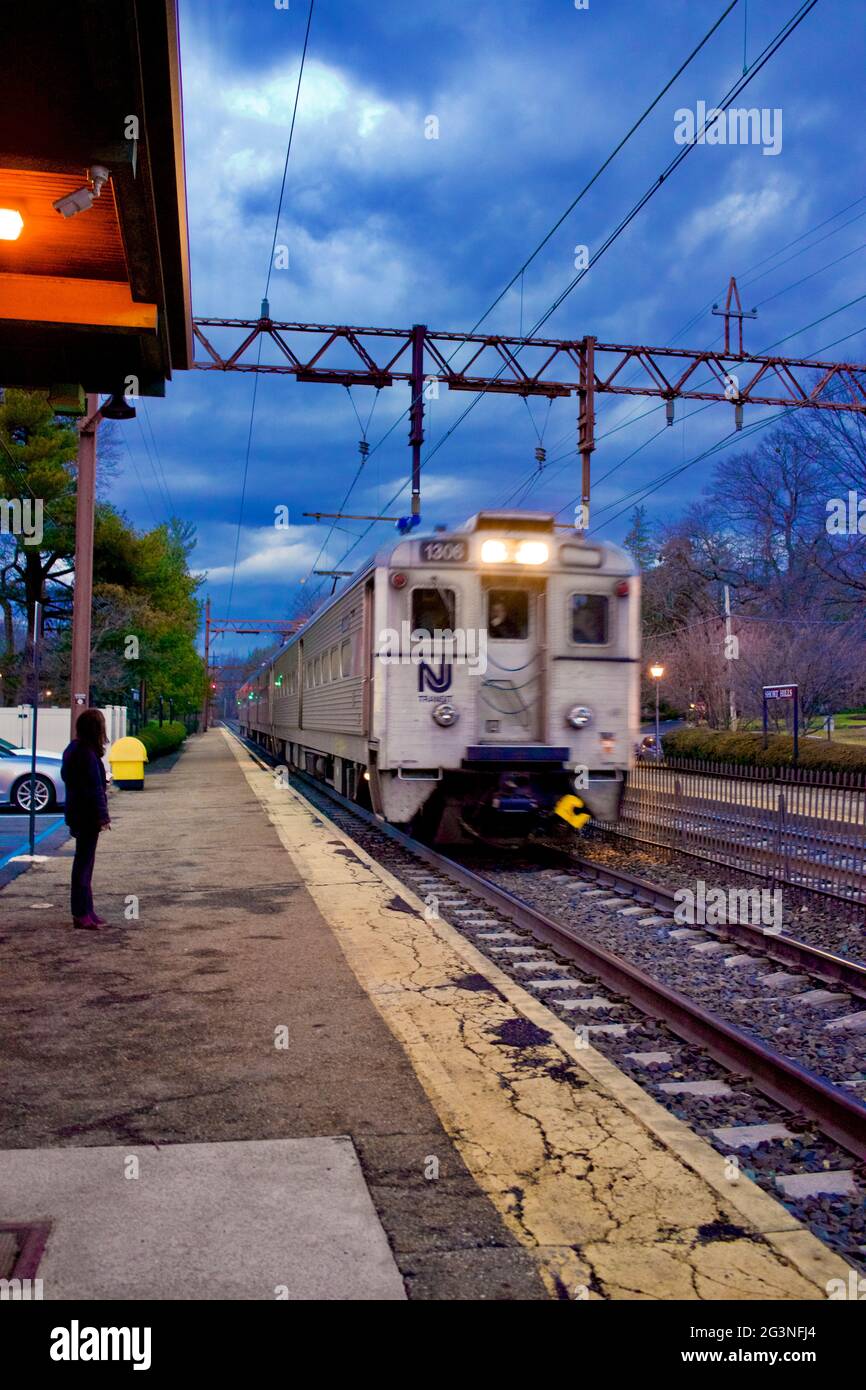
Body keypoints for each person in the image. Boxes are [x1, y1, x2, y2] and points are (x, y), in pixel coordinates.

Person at [61, 709, 111, 930]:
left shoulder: (74, 749)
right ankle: (81, 913)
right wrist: (103, 817)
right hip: (87, 815)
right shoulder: (86, 754)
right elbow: (94, 790)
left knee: (84, 863)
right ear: (95, 729)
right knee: (84, 865)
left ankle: (86, 910)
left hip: (78, 813)